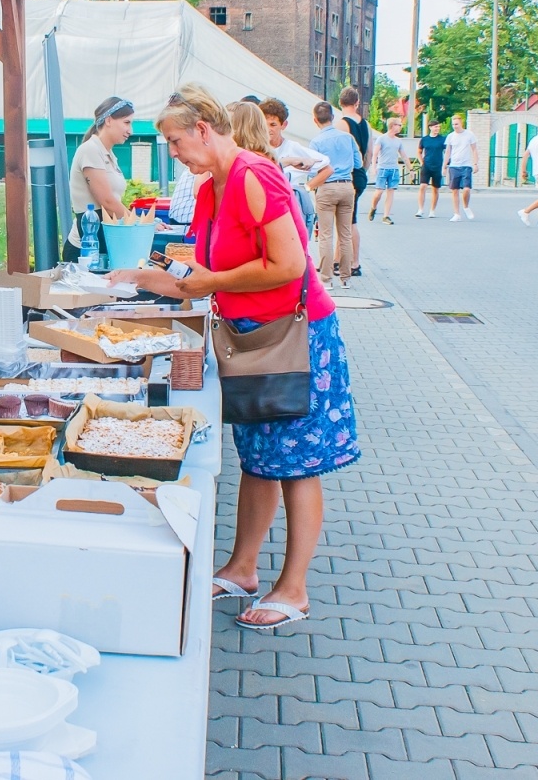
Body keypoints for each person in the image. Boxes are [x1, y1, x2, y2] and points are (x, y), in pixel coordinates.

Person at [110, 84, 358, 629]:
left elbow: (290, 265)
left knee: (296, 464)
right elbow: (196, 278)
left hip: (295, 336)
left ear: (203, 129)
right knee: (258, 458)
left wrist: (214, 281)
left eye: (175, 141)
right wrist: (140, 277)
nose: (172, 153)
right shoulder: (211, 189)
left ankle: (294, 589)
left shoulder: (255, 175)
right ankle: (244, 568)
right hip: (250, 337)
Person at [65, 96, 134, 260]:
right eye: (126, 122)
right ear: (109, 120)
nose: (131, 131)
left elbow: (114, 200)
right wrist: (140, 223)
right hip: (85, 250)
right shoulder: (90, 150)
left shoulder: (107, 153)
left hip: (102, 243)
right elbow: (107, 201)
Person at [306, 101, 361, 289]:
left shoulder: (316, 142)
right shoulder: (348, 138)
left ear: (315, 120)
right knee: (345, 234)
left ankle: (326, 279)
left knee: (326, 235)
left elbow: (313, 170)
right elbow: (358, 162)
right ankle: (346, 278)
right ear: (332, 117)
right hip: (347, 186)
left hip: (327, 188)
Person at [259, 97, 324, 236]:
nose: (268, 129)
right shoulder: (256, 149)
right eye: (264, 124)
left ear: (284, 125)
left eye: (273, 124)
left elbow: (326, 167)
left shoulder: (292, 147)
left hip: (286, 211)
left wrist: (306, 188)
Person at [337, 87, 370, 276]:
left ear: (340, 103)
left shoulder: (342, 125)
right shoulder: (365, 124)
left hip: (347, 175)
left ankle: (354, 262)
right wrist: (362, 172)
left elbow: (340, 154)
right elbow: (369, 153)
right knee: (347, 219)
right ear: (357, 103)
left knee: (349, 221)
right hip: (360, 175)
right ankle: (338, 259)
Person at [367, 116, 404, 224]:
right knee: (379, 192)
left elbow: (404, 155)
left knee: (391, 192)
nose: (400, 127)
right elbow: (375, 154)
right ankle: (373, 207)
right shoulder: (381, 139)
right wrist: (374, 167)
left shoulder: (398, 141)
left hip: (393, 169)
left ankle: (386, 216)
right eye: (399, 125)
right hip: (382, 168)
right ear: (393, 126)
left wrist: (410, 169)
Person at [444, 113, 480, 221]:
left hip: (466, 165)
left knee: (466, 189)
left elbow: (474, 150)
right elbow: (447, 152)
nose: (455, 126)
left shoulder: (469, 135)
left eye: (457, 124)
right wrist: (444, 166)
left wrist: (475, 163)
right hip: (454, 165)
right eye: (453, 124)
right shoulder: (450, 136)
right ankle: (456, 214)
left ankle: (466, 206)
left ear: (461, 123)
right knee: (454, 190)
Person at [415, 122, 447, 218]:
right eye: (435, 127)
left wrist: (445, 165)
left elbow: (448, 151)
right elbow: (419, 151)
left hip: (437, 166)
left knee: (435, 189)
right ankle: (420, 209)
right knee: (423, 186)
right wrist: (422, 162)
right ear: (430, 127)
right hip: (426, 166)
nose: (437, 128)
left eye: (438, 127)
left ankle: (432, 211)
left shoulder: (442, 139)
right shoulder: (424, 139)